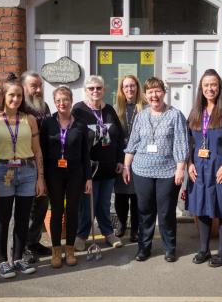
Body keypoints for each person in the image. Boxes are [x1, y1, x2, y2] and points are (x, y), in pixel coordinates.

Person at [0, 74, 45, 278]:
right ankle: (2, 262)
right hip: (3, 172)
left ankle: (17, 259)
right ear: (3, 96)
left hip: (28, 171)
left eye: (19, 95)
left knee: (22, 217)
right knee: (2, 218)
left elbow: (37, 151)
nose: (16, 99)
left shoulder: (30, 120)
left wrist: (40, 177)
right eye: (12, 95)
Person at [123, 77, 189, 262]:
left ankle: (170, 248)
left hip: (168, 171)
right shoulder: (141, 115)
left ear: (164, 93)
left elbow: (181, 144)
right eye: (150, 92)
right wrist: (127, 166)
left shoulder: (175, 115)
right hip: (141, 170)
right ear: (145, 95)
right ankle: (144, 248)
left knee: (166, 211)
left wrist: (180, 169)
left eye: (158, 91)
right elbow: (133, 143)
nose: (154, 95)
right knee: (144, 211)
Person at [186, 69, 222, 268]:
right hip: (199, 168)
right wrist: (189, 163)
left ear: (219, 87)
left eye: (214, 84)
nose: (210, 88)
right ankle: (204, 250)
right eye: (206, 85)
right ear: (201, 88)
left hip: (220, 168)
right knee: (202, 208)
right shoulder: (195, 113)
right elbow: (188, 142)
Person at [41, 86, 92, 268]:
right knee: (56, 211)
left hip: (75, 173)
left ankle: (69, 249)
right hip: (54, 173)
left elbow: (86, 153)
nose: (62, 103)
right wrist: (42, 177)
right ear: (55, 103)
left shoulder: (80, 124)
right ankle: (56, 250)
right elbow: (42, 152)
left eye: (66, 100)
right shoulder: (47, 123)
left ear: (71, 101)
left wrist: (88, 178)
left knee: (72, 211)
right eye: (58, 100)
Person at [72, 75, 124, 251]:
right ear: (86, 91)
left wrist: (119, 160)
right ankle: (81, 235)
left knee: (104, 204)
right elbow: (74, 139)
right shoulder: (78, 110)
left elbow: (117, 137)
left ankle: (108, 233)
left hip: (109, 167)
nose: (95, 91)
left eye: (99, 88)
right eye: (91, 88)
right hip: (89, 169)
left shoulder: (109, 110)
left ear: (104, 89)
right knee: (87, 205)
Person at [21, 71, 52, 258]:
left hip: (44, 164)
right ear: (24, 87)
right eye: (34, 86)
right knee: (26, 208)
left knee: (41, 205)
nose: (38, 89)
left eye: (40, 85)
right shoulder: (21, 108)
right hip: (25, 165)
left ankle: (33, 242)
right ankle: (21, 247)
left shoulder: (44, 107)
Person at [114, 75, 146, 242]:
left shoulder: (145, 107)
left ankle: (135, 228)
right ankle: (121, 224)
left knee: (136, 195)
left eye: (132, 85)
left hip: (140, 156)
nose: (129, 89)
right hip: (121, 156)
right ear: (121, 89)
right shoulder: (116, 108)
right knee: (120, 194)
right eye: (126, 86)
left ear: (137, 87)